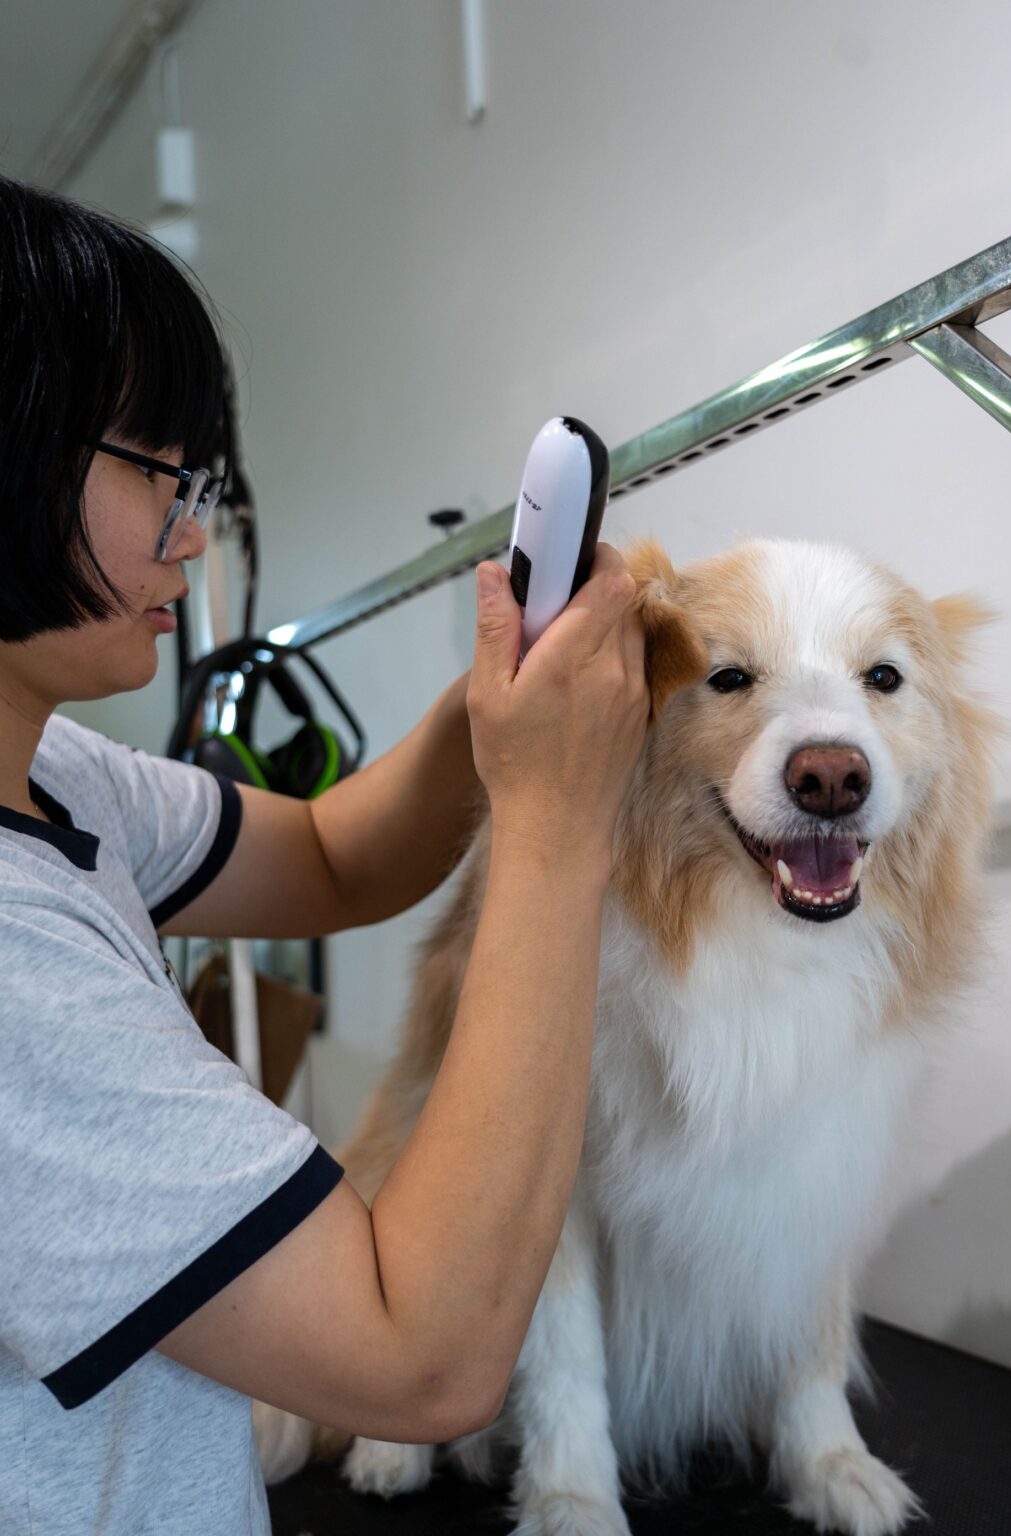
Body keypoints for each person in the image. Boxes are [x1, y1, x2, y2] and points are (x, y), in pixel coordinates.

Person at [0, 172, 649, 1536]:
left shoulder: (55, 774)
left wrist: (508, 693)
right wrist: (559, 823)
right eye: (157, 469)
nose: (191, 530)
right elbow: (422, 1351)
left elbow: (337, 855)